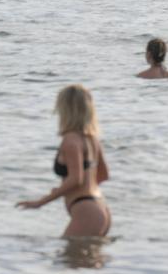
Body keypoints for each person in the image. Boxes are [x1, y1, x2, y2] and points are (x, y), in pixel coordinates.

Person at [16, 85, 111, 237]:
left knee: (66, 259)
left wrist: (42, 201)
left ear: (66, 110)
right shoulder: (92, 139)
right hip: (100, 207)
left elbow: (76, 179)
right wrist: (76, 190)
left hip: (86, 211)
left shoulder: (70, 140)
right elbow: (103, 175)